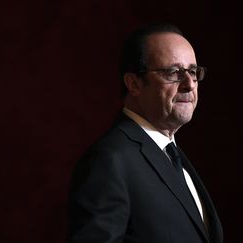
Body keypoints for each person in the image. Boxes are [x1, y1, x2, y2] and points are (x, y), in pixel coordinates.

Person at [66, 23, 223, 243]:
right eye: (173, 73)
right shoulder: (109, 160)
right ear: (134, 84)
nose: (189, 84)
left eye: (193, 72)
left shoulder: (173, 156)